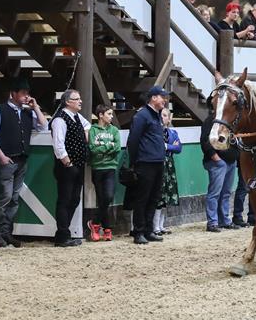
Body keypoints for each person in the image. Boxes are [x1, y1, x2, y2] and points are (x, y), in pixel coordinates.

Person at [0, 77, 48, 248]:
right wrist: (1, 156)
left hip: (21, 159)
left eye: (27, 93)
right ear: (13, 94)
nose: (25, 96)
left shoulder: (28, 112)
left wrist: (35, 107)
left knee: (14, 198)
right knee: (5, 197)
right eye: (22, 93)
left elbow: (44, 126)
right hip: (7, 159)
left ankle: (6, 232)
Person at [126, 86, 169, 244]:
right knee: (142, 198)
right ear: (153, 98)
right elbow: (133, 140)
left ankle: (149, 230)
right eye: (161, 97)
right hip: (145, 162)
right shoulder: (142, 115)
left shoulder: (156, 115)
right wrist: (134, 162)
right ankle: (138, 232)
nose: (164, 100)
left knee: (153, 198)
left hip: (157, 161)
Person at [49, 90, 90, 246]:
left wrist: (85, 134)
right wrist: (68, 163)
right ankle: (62, 235)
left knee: (74, 199)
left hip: (78, 165)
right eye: (76, 99)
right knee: (65, 200)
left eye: (80, 98)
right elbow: (58, 145)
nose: (80, 101)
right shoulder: (59, 119)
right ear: (67, 102)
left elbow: (88, 126)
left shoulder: (77, 117)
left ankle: (64, 232)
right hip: (67, 166)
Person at [200, 110, 240, 233]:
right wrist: (216, 158)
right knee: (215, 193)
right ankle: (212, 222)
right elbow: (205, 141)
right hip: (218, 162)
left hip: (231, 161)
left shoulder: (231, 119)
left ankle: (224, 220)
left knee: (226, 192)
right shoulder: (210, 120)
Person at [86, 104, 121, 242]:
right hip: (97, 168)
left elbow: (117, 147)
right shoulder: (93, 130)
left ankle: (94, 223)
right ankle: (107, 228)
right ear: (101, 115)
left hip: (110, 167)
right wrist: (109, 146)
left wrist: (103, 147)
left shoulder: (114, 130)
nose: (111, 117)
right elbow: (93, 149)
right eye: (109, 114)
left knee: (108, 196)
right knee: (102, 200)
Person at [153, 107, 181, 237]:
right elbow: (157, 147)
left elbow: (178, 147)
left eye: (165, 115)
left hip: (169, 164)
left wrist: (167, 146)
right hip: (159, 163)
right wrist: (170, 147)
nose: (163, 117)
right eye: (161, 115)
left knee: (167, 196)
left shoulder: (173, 132)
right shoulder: (155, 132)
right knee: (158, 195)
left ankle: (161, 225)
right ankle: (155, 227)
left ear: (169, 119)